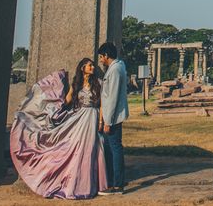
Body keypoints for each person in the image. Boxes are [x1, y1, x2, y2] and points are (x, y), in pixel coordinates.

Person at [10, 58, 109, 199]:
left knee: (91, 149)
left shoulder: (98, 84)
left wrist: (101, 121)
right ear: (82, 68)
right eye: (89, 65)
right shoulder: (77, 84)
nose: (92, 67)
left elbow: (102, 105)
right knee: (77, 148)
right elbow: (67, 100)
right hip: (79, 117)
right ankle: (75, 182)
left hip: (92, 116)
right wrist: (51, 104)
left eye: (93, 65)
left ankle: (90, 184)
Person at [97, 42, 129, 194]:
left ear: (106, 55)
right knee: (112, 150)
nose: (100, 60)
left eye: (101, 57)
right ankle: (114, 181)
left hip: (113, 118)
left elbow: (113, 97)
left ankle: (117, 185)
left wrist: (107, 121)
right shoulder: (118, 66)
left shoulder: (115, 70)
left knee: (114, 150)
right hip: (112, 117)